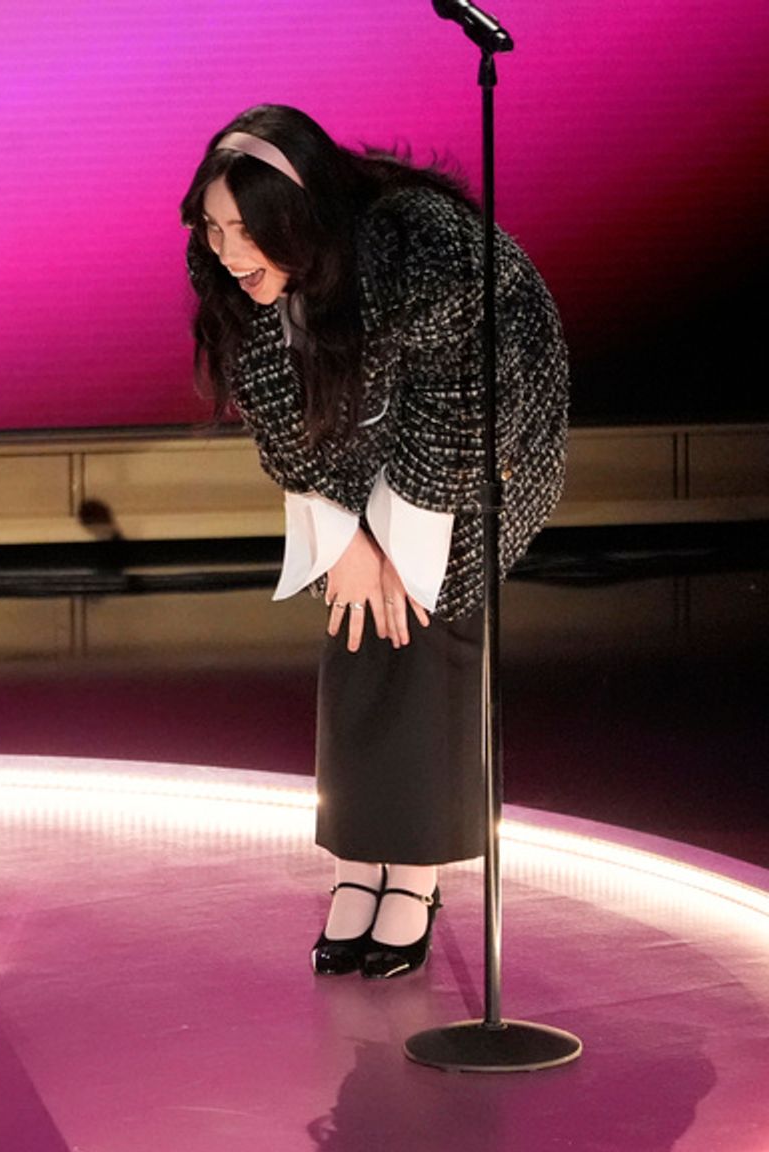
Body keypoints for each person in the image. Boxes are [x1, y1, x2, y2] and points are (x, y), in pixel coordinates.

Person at [178, 106, 569, 979]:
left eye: (247, 231)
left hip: (482, 449)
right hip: (354, 430)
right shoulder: (235, 270)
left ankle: (417, 875)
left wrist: (393, 547)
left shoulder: (431, 259)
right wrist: (344, 534)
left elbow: (459, 419)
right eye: (214, 227)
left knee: (424, 620)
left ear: (303, 216)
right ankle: (360, 863)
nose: (230, 251)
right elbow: (276, 406)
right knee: (353, 618)